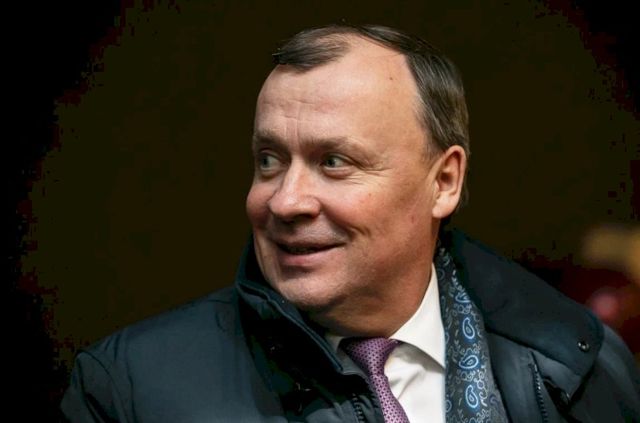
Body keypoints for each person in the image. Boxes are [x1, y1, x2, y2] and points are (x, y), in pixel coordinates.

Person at [61, 24, 640, 422]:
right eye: (269, 160)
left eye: (334, 162)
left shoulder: (577, 364)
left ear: (444, 181)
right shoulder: (128, 389)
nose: (285, 201)